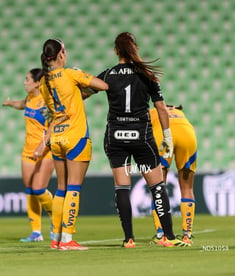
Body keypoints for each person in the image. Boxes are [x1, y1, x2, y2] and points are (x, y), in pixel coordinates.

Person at [89, 32, 190, 247]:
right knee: (157, 186)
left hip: (115, 136)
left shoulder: (107, 75)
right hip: (141, 137)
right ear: (135, 47)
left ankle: (129, 239)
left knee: (122, 187)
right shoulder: (147, 75)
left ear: (116, 51)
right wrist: (167, 136)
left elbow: (83, 93)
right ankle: (169, 238)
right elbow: (161, 108)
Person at [40, 38, 108, 250]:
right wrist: (84, 78)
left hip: (57, 137)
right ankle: (68, 240)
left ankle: (56, 238)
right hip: (76, 136)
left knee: (60, 188)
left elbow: (61, 104)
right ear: (61, 54)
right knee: (74, 188)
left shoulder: (44, 81)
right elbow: (103, 85)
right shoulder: (71, 74)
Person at [2, 68, 54, 242]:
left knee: (39, 189)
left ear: (37, 83)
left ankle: (57, 219)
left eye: (27, 79)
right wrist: (10, 103)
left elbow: (53, 125)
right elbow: (22, 105)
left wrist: (42, 145)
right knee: (30, 190)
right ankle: (36, 232)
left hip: (45, 151)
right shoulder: (30, 99)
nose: (24, 82)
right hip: (28, 151)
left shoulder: (46, 102)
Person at [149, 104, 197, 244]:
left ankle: (161, 234)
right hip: (187, 134)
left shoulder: (152, 111)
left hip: (163, 134)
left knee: (158, 187)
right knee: (187, 188)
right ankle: (187, 235)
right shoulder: (179, 112)